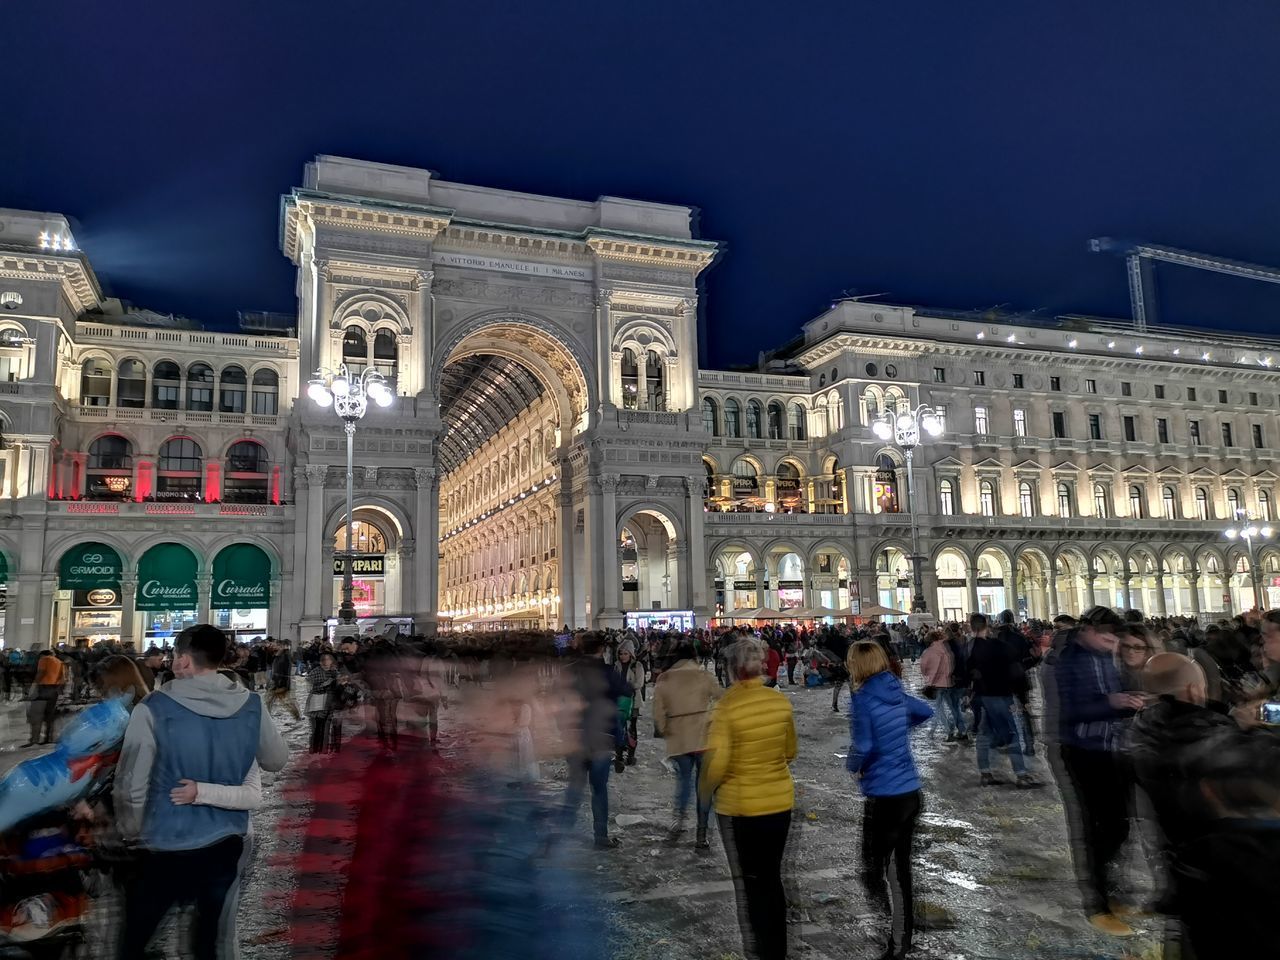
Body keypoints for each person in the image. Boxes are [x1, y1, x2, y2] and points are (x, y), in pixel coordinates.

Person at [114, 624, 289, 960]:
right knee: (207, 940)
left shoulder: (153, 707)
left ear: (182, 660)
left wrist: (131, 830)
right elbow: (276, 759)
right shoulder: (251, 703)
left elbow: (131, 783)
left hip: (164, 841)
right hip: (226, 840)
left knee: (136, 937)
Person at [1051, 606, 1145, 938]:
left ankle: (1112, 890)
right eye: (1106, 637)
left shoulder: (1106, 656)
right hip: (1082, 751)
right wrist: (1113, 703)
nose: (1111, 644)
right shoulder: (1070, 661)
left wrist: (1131, 699)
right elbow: (1072, 711)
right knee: (1093, 828)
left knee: (1120, 825)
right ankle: (1098, 904)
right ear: (1088, 631)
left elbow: (1112, 693)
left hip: (1111, 748)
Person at [700, 638, 797, 960]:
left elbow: (718, 764)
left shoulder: (726, 707)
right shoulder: (779, 702)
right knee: (772, 879)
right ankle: (777, 951)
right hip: (780, 803)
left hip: (741, 808)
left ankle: (759, 951)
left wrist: (703, 791)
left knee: (752, 885)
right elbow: (790, 752)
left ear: (731, 670)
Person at [846, 641, 932, 960]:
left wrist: (853, 765)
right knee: (901, 869)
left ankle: (894, 938)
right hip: (910, 792)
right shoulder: (894, 689)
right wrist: (898, 731)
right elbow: (925, 710)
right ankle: (904, 931)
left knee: (873, 870)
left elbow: (864, 744)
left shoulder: (864, 698)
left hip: (884, 795)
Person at [564, 632, 631, 849]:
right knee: (599, 789)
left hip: (575, 734)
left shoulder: (570, 670)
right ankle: (600, 835)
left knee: (575, 784)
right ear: (602, 649)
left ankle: (561, 832)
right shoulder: (607, 672)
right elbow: (626, 690)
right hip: (601, 735)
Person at [652, 642, 721, 848]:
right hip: (703, 734)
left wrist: (664, 728)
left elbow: (658, 710)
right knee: (704, 785)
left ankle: (679, 820)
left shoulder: (665, 678)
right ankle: (702, 833)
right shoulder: (703, 675)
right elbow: (720, 697)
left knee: (683, 781)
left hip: (679, 735)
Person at [968, 613, 1036, 787]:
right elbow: (1017, 667)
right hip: (1000, 694)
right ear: (987, 626)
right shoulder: (998, 646)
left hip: (980, 696)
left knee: (984, 734)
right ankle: (1021, 775)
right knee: (1012, 733)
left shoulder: (968, 647)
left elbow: (964, 673)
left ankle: (985, 773)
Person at [919, 630, 966, 742]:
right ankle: (962, 729)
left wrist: (929, 680)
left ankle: (949, 730)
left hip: (936, 684)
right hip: (949, 683)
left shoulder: (929, 652)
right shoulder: (947, 650)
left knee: (939, 709)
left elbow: (924, 668)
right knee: (954, 708)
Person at [612, 638, 645, 771]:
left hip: (633, 700)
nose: (623, 656)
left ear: (630, 654)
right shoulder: (616, 665)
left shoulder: (637, 666)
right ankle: (619, 754)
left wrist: (626, 686)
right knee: (619, 727)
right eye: (621, 653)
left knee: (632, 727)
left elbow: (639, 683)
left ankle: (631, 754)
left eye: (625, 653)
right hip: (619, 700)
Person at [25, 649, 65, 746]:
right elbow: (63, 678)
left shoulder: (44, 659)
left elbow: (41, 673)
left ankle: (34, 740)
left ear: (42, 655)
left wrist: (34, 686)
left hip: (43, 688)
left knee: (36, 715)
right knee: (49, 715)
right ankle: (48, 738)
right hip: (54, 689)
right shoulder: (59, 662)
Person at [306, 652, 341, 754]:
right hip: (318, 701)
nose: (326, 662)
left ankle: (324, 749)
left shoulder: (334, 672)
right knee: (317, 727)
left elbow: (339, 684)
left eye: (328, 660)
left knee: (327, 727)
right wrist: (324, 684)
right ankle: (315, 749)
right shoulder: (315, 672)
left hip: (330, 702)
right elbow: (309, 686)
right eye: (323, 660)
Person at [268, 641, 302, 721]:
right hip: (275, 682)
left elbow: (287, 672)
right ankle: (266, 716)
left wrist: (284, 684)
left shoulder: (285, 656)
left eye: (275, 645)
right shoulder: (277, 655)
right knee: (268, 700)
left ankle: (297, 716)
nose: (273, 647)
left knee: (286, 702)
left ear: (281, 646)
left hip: (281, 683)